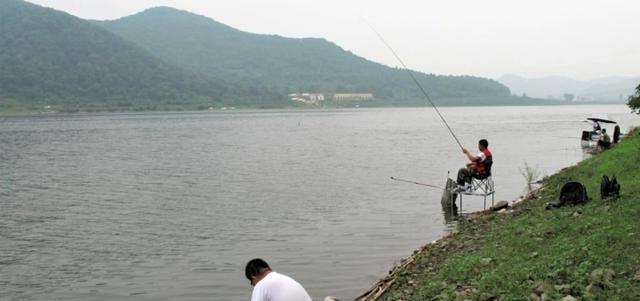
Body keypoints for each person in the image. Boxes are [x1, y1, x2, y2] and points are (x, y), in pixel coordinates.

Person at [245, 258, 312, 301]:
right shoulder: (288, 280)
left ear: (253, 277)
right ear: (269, 269)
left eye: (252, 282)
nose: (253, 285)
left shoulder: (261, 285)